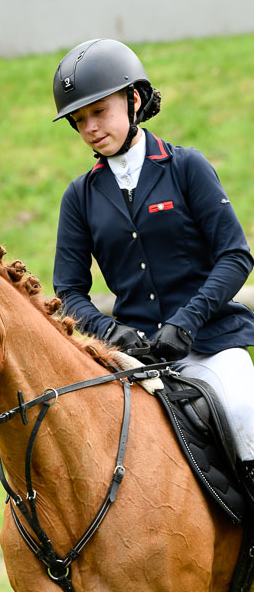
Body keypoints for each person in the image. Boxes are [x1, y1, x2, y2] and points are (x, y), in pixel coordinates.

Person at [51, 37, 254, 496]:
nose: (89, 128)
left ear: (134, 99)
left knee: (246, 411)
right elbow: (69, 291)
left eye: (98, 111)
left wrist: (185, 324)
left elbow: (235, 255)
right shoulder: (79, 197)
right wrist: (109, 332)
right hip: (136, 357)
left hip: (211, 345)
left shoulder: (186, 167)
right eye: (79, 120)